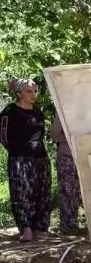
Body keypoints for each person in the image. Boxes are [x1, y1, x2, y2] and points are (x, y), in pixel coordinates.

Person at [0, 78, 51, 242]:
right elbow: (3, 137)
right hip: (20, 159)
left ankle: (41, 228)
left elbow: (41, 135)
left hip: (41, 158)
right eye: (29, 91)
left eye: (35, 91)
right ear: (20, 93)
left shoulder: (38, 112)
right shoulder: (10, 112)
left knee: (42, 193)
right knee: (22, 194)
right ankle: (26, 229)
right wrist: (16, 152)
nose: (33, 94)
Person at [49, 112, 82, 233]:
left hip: (85, 153)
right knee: (67, 192)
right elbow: (54, 134)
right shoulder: (62, 111)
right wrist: (70, 138)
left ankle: (86, 223)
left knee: (82, 191)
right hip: (66, 155)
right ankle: (68, 225)